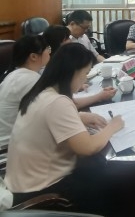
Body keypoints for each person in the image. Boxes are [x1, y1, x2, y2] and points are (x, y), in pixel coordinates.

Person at [5, 43, 125, 215]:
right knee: (114, 181)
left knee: (97, 168)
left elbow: (48, 119)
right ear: (72, 72)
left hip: (19, 186)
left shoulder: (40, 92)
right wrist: (112, 127)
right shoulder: (58, 102)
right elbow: (88, 148)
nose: (85, 79)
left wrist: (80, 117)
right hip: (42, 191)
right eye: (85, 74)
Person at [0, 35, 50, 143]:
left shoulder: (16, 74)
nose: (49, 52)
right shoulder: (29, 79)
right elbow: (50, 113)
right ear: (33, 56)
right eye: (47, 48)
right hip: (9, 145)